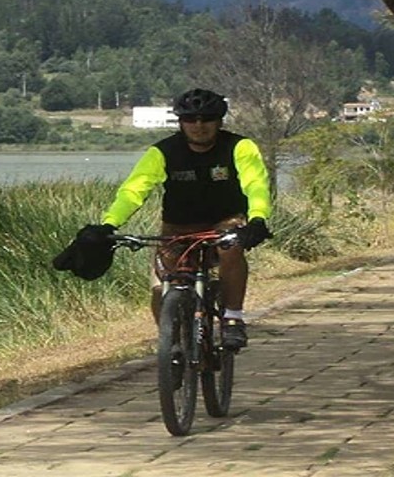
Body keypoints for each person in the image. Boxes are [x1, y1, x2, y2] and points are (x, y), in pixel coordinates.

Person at [60, 88, 272, 350]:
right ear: (180, 122)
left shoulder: (240, 147)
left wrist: (258, 218)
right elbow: (134, 190)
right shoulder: (163, 151)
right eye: (190, 119)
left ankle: (233, 318)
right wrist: (109, 224)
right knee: (161, 289)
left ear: (219, 121)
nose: (199, 126)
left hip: (224, 220)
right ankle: (173, 347)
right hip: (178, 226)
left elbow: (255, 184)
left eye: (206, 119)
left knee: (231, 248)